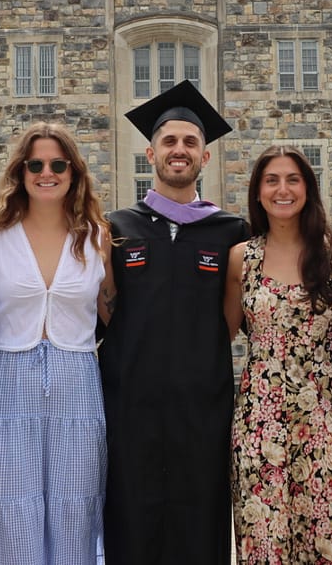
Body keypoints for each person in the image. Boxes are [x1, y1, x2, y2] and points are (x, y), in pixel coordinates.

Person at [98, 80, 250, 565]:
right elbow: (100, 309)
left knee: (200, 522)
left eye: (190, 142)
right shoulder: (116, 229)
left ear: (206, 158)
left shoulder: (230, 233)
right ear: (150, 153)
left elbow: (245, 315)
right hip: (128, 405)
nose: (179, 150)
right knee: (129, 521)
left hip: (202, 408)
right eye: (169, 141)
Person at [0, 123, 115, 565]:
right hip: (4, 383)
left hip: (77, 382)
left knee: (77, 507)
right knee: (11, 509)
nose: (46, 172)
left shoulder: (96, 238)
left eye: (58, 164)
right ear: (21, 171)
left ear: (74, 172)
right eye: (36, 164)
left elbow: (116, 315)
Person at [224, 145, 332, 564]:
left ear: (308, 188)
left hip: (325, 415)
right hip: (259, 420)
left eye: (293, 179)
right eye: (272, 180)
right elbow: (219, 336)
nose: (283, 189)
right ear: (257, 192)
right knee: (265, 536)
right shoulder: (241, 259)